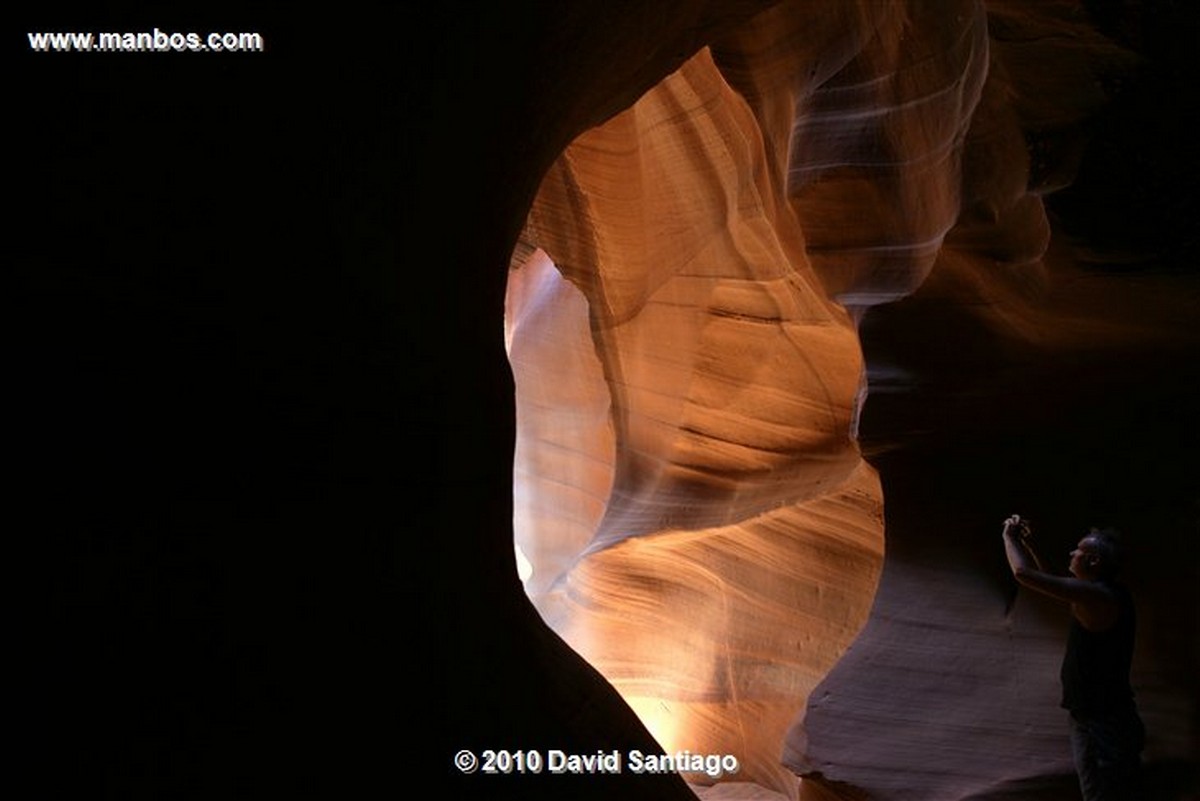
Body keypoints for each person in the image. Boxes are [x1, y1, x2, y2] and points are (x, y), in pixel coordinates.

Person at [1001, 514, 1145, 801]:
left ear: (1093, 561)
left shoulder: (1099, 597)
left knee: (1102, 794)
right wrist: (1031, 543)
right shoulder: (1105, 593)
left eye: (1078, 550)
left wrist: (1009, 537)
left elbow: (1023, 574)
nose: (1072, 553)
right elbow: (1056, 578)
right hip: (1101, 717)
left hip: (1102, 724)